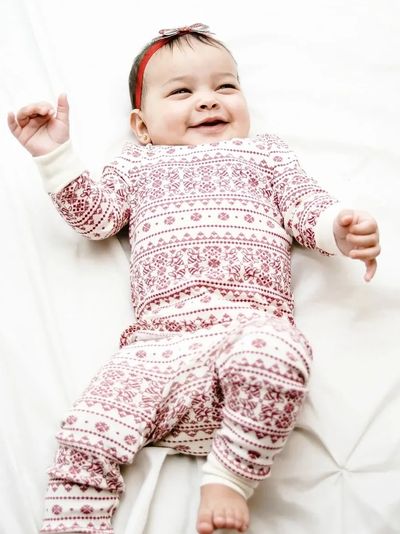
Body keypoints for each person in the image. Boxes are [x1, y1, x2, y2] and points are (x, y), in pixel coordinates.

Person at [8, 23, 380, 534]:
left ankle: (229, 475)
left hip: (243, 341)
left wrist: (339, 229)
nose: (208, 101)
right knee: (84, 435)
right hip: (156, 351)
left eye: (225, 86)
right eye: (182, 91)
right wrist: (54, 156)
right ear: (141, 125)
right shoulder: (136, 165)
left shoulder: (265, 155)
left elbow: (305, 207)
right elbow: (95, 219)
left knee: (282, 352)